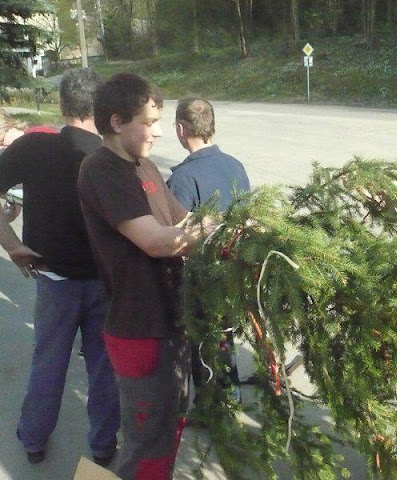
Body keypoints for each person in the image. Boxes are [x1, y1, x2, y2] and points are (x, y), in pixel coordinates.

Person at [78, 73, 216, 480]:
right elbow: (156, 241)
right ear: (117, 122)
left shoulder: (146, 166)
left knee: (169, 429)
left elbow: (184, 220)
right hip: (139, 328)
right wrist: (211, 232)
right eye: (149, 122)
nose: (158, 132)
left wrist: (230, 226)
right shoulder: (102, 170)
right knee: (147, 443)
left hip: (170, 320)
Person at [0, 68, 120, 466]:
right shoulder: (110, 155)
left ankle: (34, 440)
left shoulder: (34, 146)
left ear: (62, 104)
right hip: (105, 282)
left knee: (49, 362)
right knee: (104, 366)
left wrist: (12, 245)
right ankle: (103, 444)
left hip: (54, 279)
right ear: (101, 108)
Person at [167, 97, 250, 407]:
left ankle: (211, 407)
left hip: (200, 277)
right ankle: (230, 396)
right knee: (223, 334)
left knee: (202, 342)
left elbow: (177, 238)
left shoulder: (183, 178)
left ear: (180, 129)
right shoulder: (235, 165)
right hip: (233, 269)